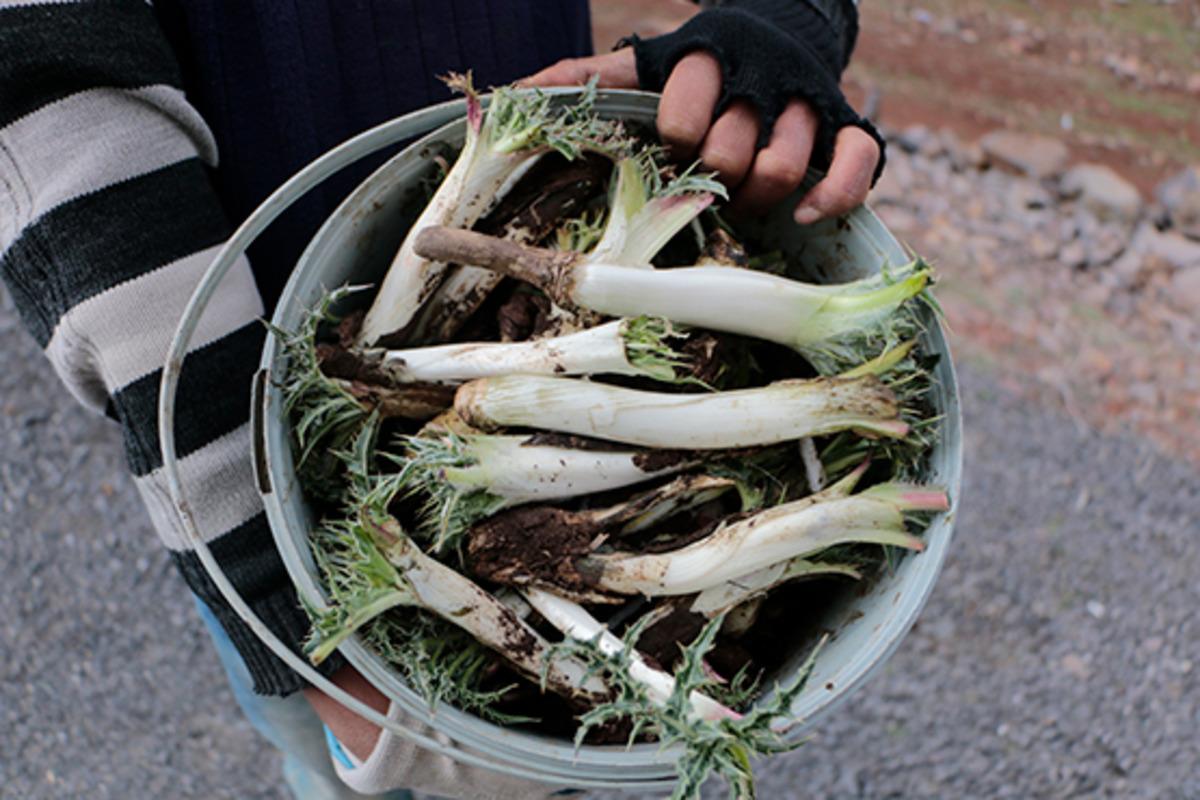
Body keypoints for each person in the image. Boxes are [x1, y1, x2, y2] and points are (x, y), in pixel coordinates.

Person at [0, 1, 881, 796]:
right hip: (292, 460)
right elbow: (57, 100)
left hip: (541, 207)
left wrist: (786, 20)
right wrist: (311, 639)